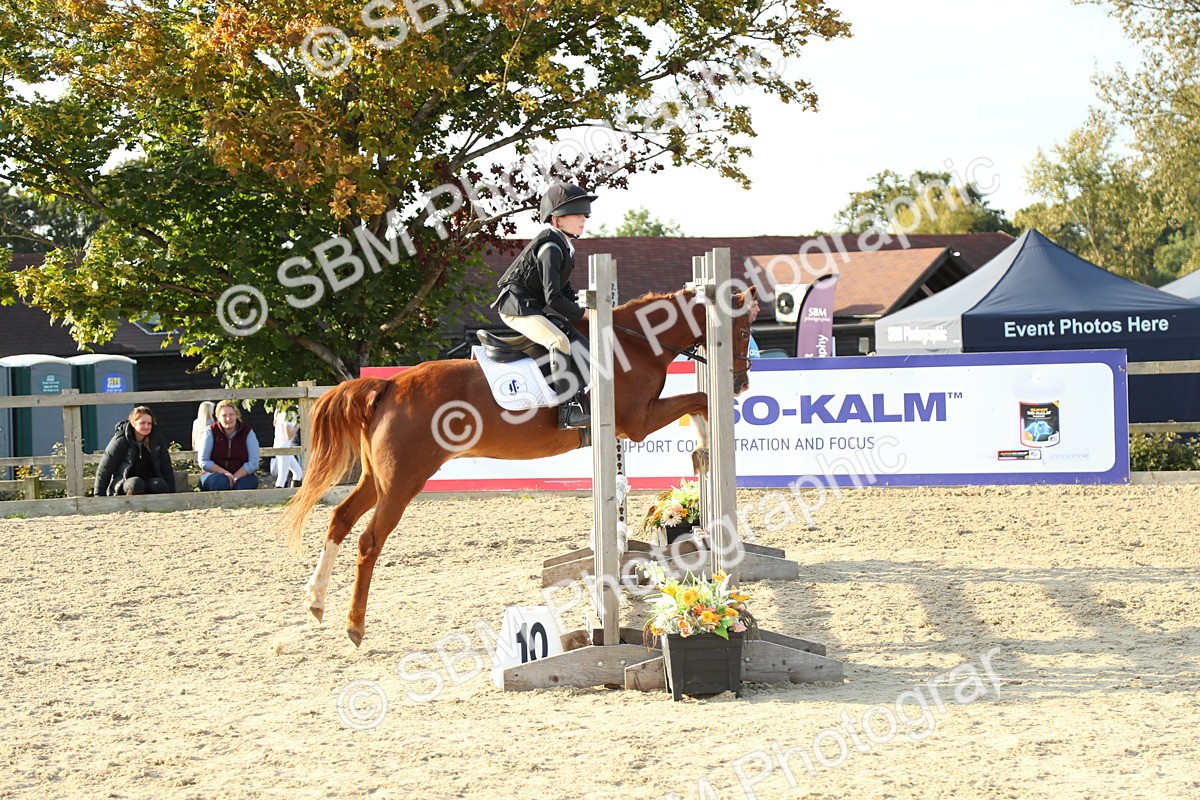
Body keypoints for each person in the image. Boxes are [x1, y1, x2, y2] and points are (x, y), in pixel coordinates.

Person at [492, 183, 596, 429]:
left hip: (530, 307)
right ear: (557, 219)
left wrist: (586, 307)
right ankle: (567, 411)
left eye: (585, 214)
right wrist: (583, 314)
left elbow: (564, 289)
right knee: (558, 341)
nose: (583, 219)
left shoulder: (564, 245)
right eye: (577, 214)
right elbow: (553, 298)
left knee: (569, 334)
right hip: (516, 308)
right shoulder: (550, 248)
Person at [93, 406, 176, 496]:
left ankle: (159, 504)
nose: (146, 426)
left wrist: (173, 496)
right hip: (125, 483)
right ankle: (129, 504)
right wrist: (99, 496)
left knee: (159, 485)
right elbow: (104, 470)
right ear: (133, 423)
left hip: (149, 480)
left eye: (149, 423)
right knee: (136, 483)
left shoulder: (156, 440)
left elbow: (166, 468)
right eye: (142, 423)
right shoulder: (121, 440)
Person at [197, 400, 260, 491]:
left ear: (236, 415)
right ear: (217, 417)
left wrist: (234, 478)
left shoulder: (247, 432)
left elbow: (253, 462)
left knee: (243, 486)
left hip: (242, 474)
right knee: (219, 482)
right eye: (224, 415)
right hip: (214, 474)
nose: (228, 418)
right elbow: (204, 461)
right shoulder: (210, 432)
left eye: (231, 414)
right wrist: (226, 473)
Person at [272, 407, 304, 489]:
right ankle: (277, 495)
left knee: (298, 473)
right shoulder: (287, 416)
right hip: (284, 448)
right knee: (282, 478)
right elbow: (288, 436)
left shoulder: (279, 414)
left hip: (282, 447)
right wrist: (298, 425)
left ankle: (294, 494)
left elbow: (274, 423)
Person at [747, 295, 762, 359]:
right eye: (753, 306)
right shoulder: (733, 336)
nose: (758, 309)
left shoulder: (749, 334)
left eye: (757, 305)